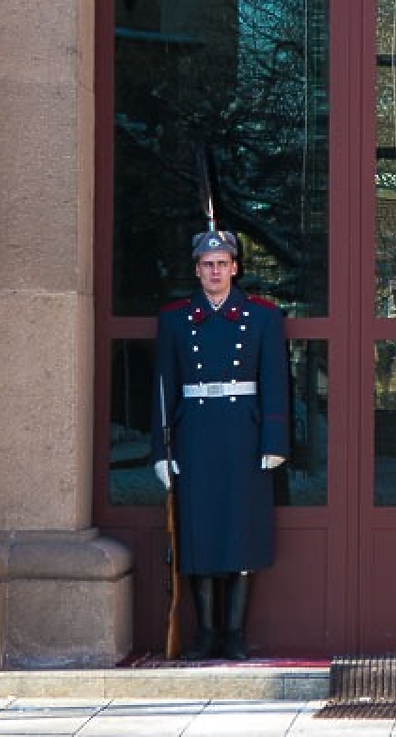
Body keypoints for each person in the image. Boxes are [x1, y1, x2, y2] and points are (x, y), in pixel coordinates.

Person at [152, 228, 290, 660]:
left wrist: (274, 439)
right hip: (195, 434)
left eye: (222, 263)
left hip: (243, 434)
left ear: (235, 267)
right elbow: (162, 387)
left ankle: (234, 634)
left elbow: (274, 383)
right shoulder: (175, 319)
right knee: (200, 533)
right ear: (197, 270)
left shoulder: (261, 317)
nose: (215, 271)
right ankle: (206, 634)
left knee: (241, 532)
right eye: (207, 264)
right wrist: (161, 450)